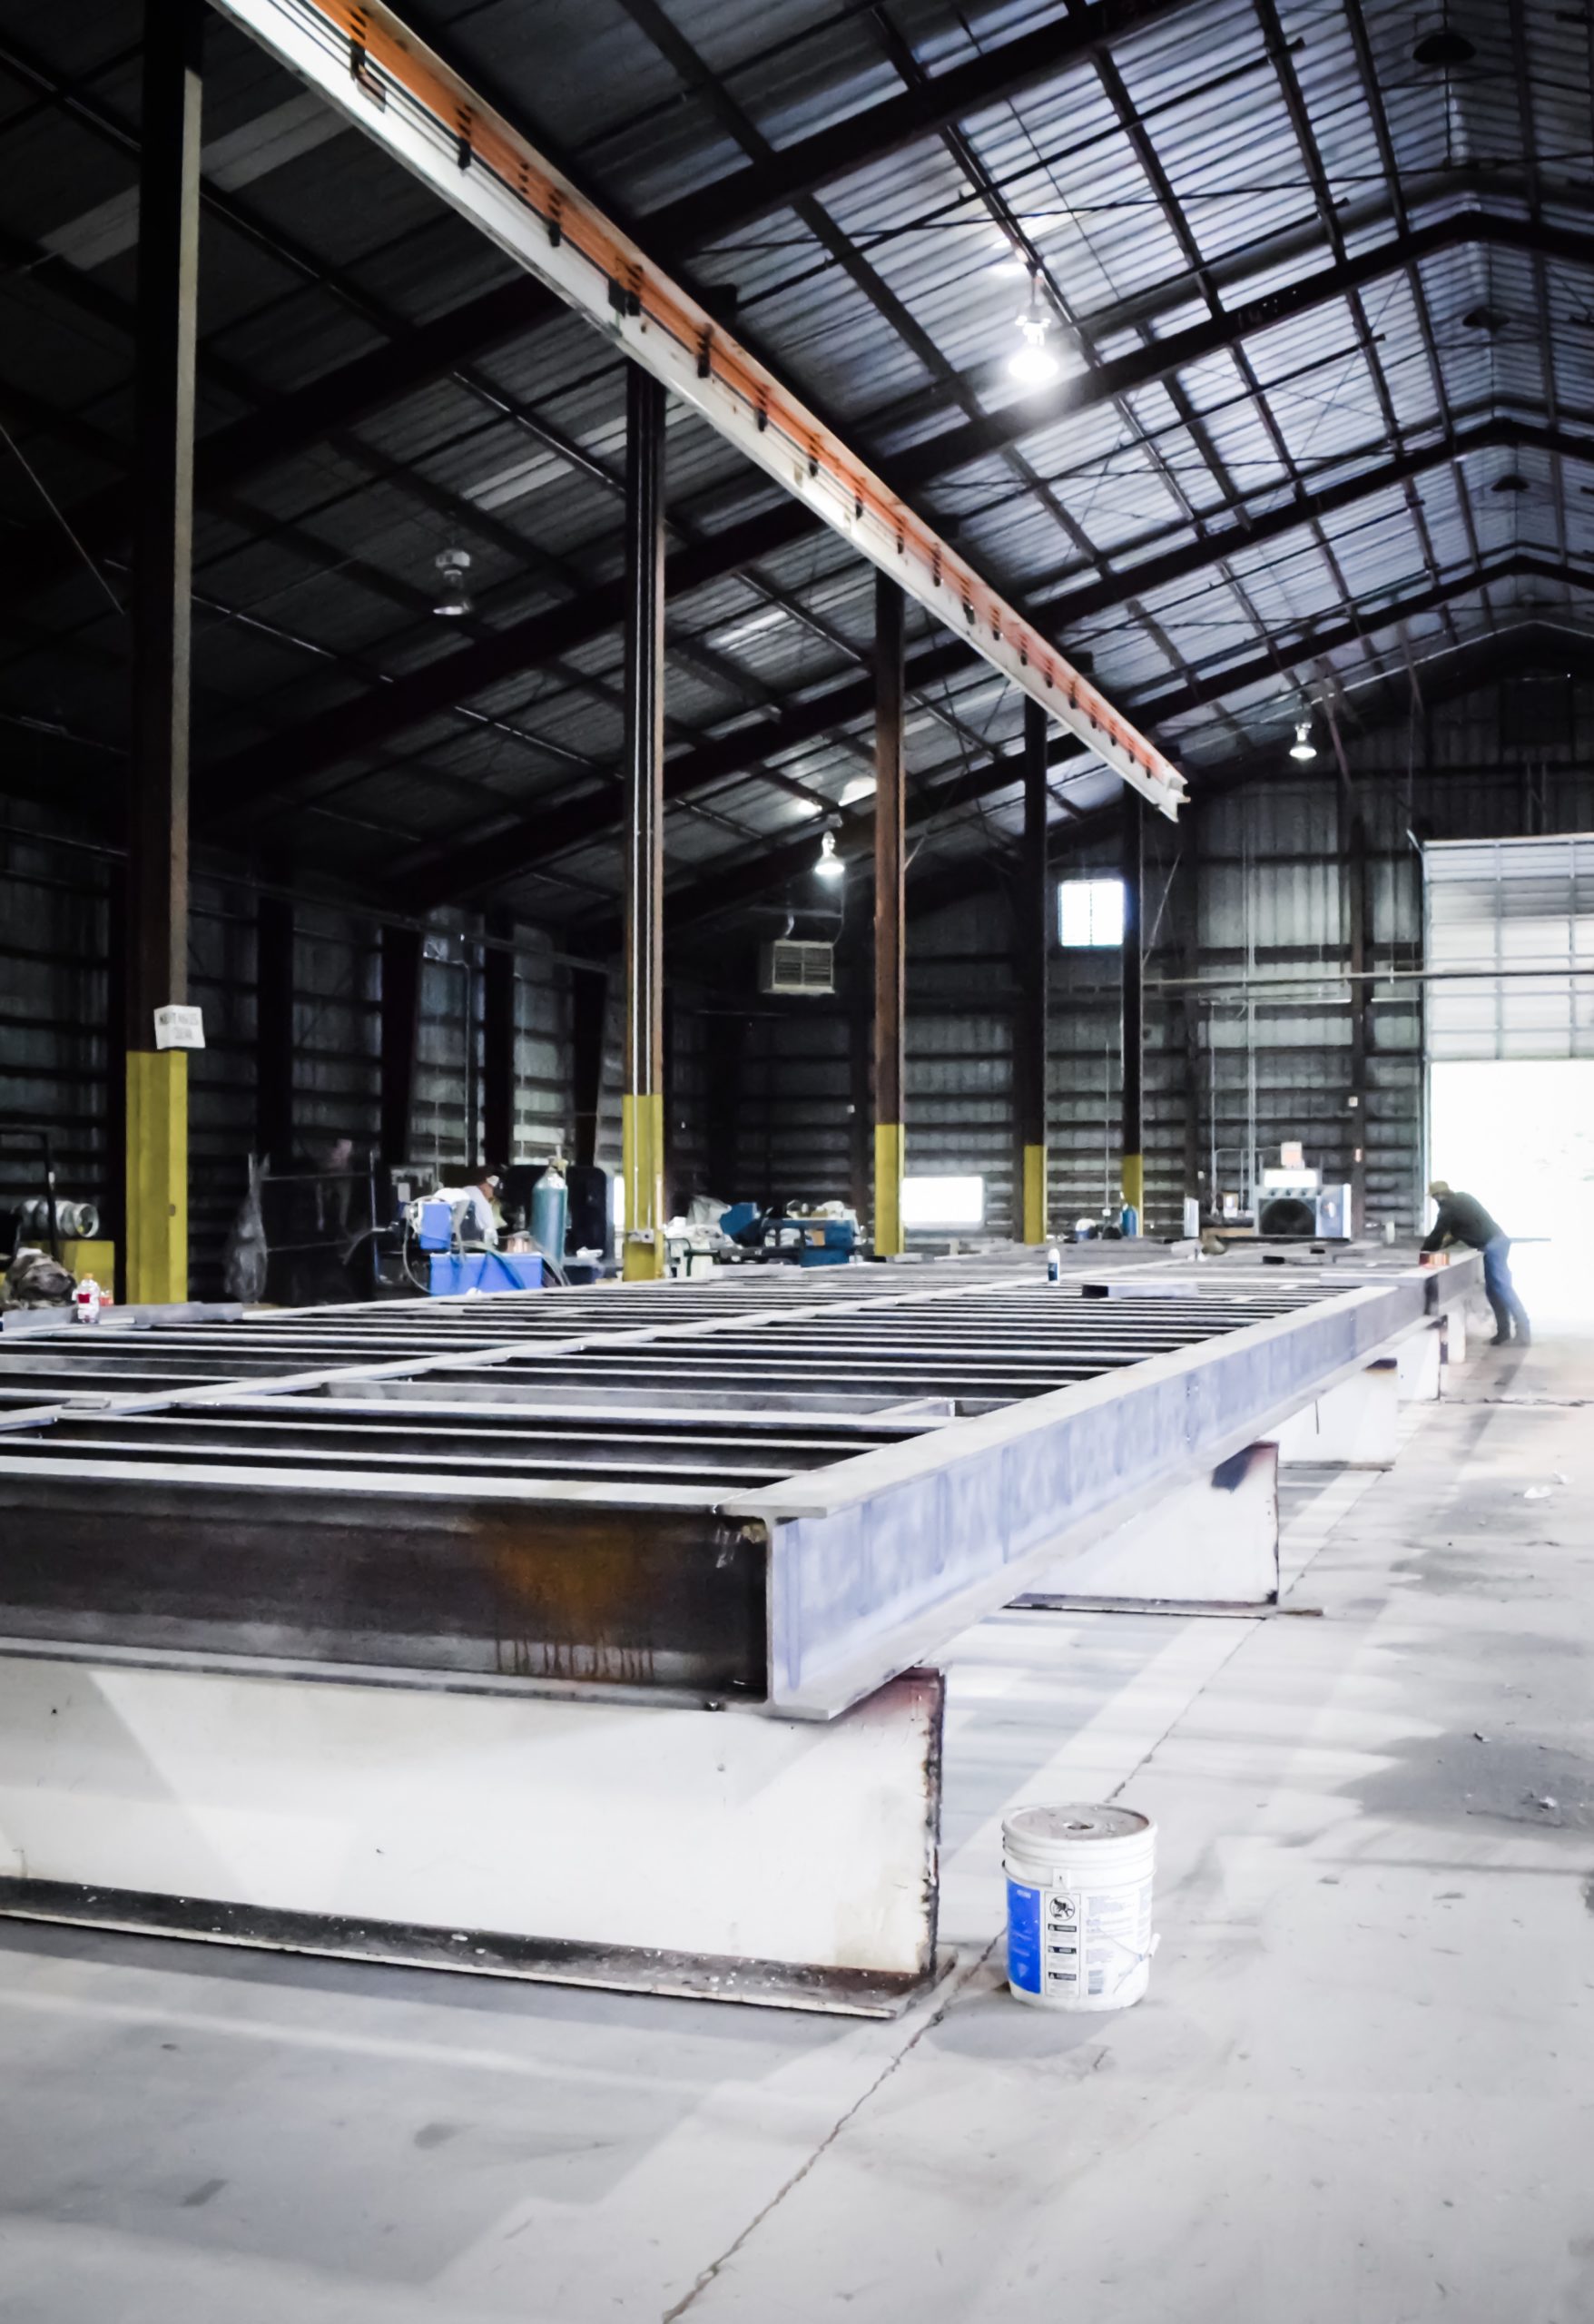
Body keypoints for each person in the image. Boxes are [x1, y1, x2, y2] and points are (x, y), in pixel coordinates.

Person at [1422, 1179, 1530, 1347]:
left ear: (1439, 1195)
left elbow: (1438, 1233)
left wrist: (1425, 1252)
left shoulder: (1448, 1209)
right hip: (1498, 1241)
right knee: (1493, 1290)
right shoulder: (1464, 1198)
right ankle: (1503, 1333)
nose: (1435, 1201)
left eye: (1435, 1197)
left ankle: (1523, 1333)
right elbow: (1462, 1228)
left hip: (1493, 1246)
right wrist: (1445, 1243)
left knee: (1503, 1288)